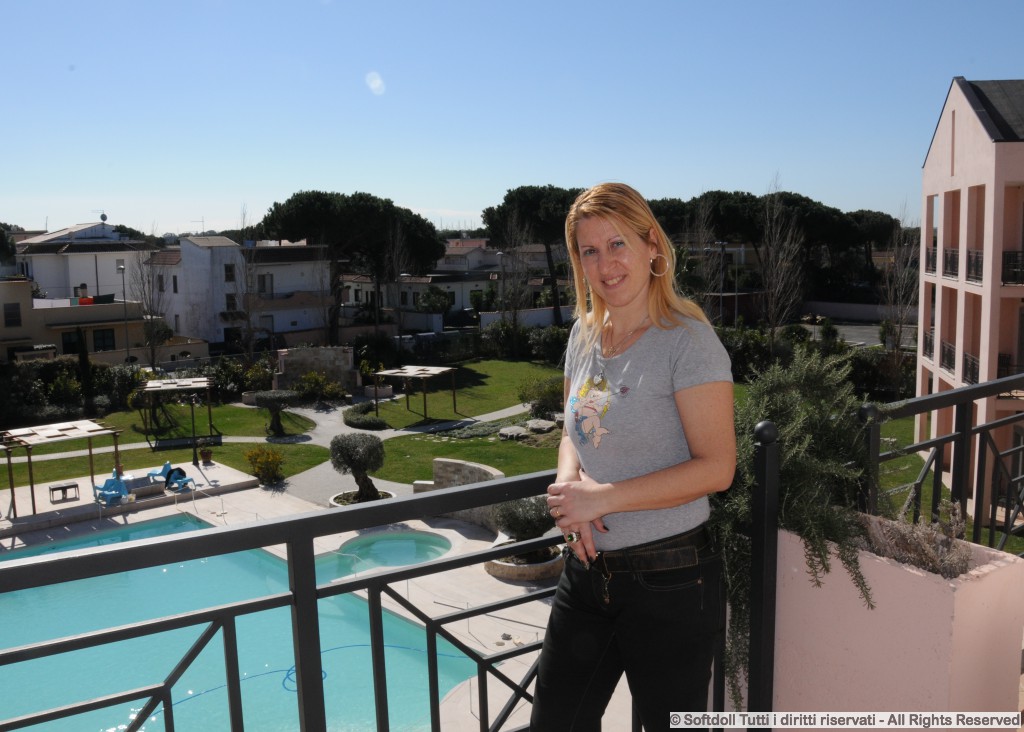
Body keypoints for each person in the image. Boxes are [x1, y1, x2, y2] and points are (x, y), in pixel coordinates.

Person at [530, 182, 736, 731]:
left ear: (652, 246)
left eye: (617, 243)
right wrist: (570, 496)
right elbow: (573, 432)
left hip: (670, 579)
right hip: (587, 571)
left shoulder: (687, 342)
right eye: (589, 250)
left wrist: (604, 498)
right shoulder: (583, 335)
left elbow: (718, 468)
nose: (606, 264)